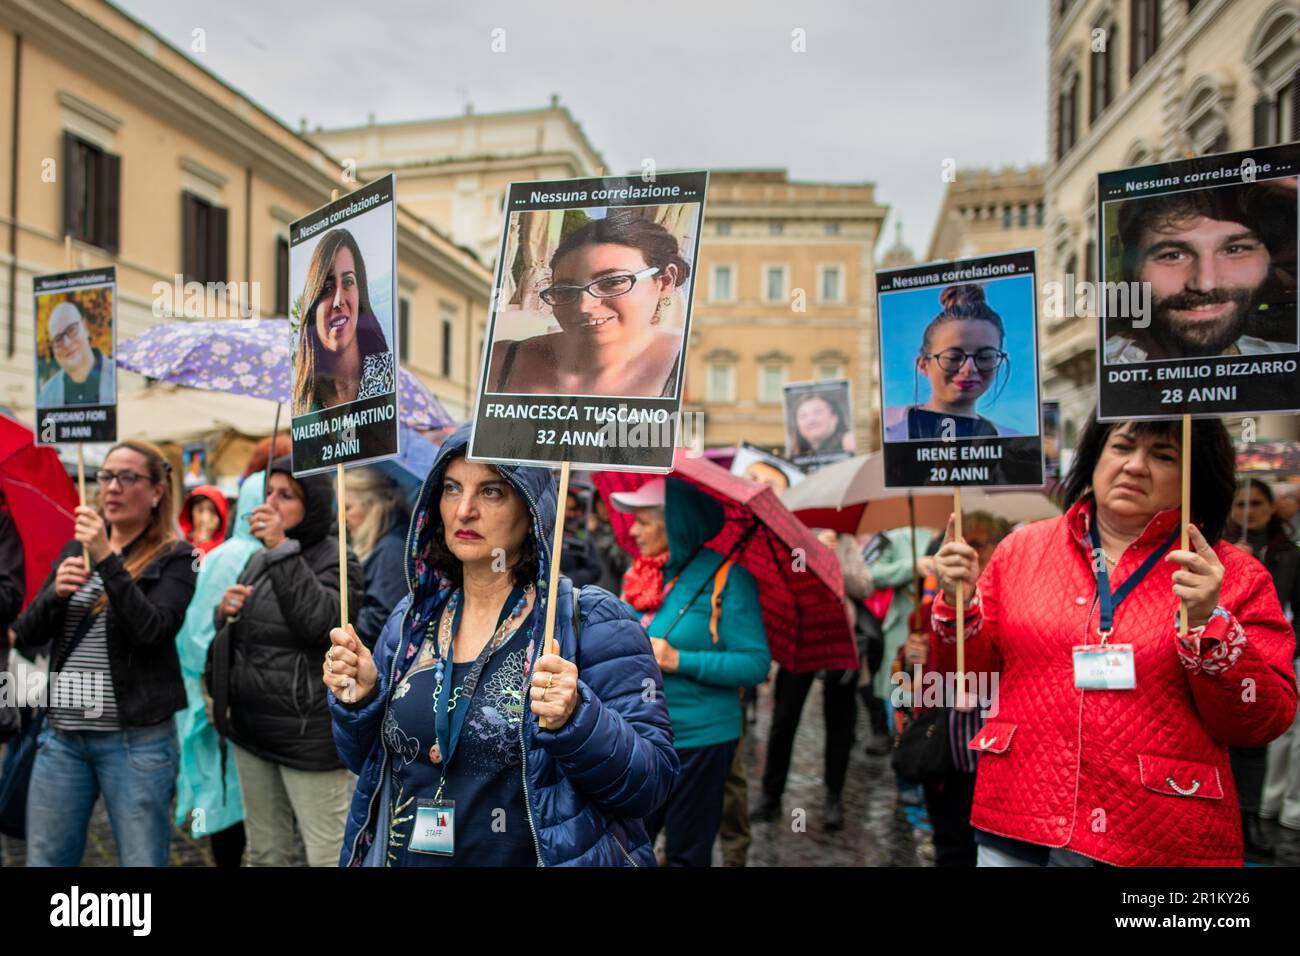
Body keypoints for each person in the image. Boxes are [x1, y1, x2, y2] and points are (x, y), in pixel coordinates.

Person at [931, 415, 1297, 866]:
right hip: (1021, 813)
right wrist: (957, 605)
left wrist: (1210, 625)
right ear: (1095, 457)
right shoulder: (1020, 551)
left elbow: (1259, 722)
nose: (1135, 466)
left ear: (1195, 475)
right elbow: (964, 681)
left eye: (1163, 455)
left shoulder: (1232, 575)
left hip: (1157, 829)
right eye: (1122, 447)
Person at [324, 423, 677, 866]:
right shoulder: (412, 620)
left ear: (531, 509)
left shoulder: (591, 623)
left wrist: (579, 720)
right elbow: (368, 764)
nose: (464, 510)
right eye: (452, 489)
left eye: (491, 492)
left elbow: (652, 784)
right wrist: (362, 701)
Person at [12, 441, 196, 866]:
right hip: (62, 738)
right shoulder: (75, 550)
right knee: (47, 857)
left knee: (142, 859)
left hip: (134, 740)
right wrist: (56, 594)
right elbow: (26, 634)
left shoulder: (179, 559)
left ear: (156, 492)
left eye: (127, 477)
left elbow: (151, 631)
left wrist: (106, 559)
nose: (112, 487)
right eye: (107, 476)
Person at [205, 457, 362, 866]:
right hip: (252, 729)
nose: (271, 502)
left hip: (306, 736)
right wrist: (225, 612)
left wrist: (280, 549)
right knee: (265, 852)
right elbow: (252, 634)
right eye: (269, 491)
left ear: (312, 506)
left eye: (286, 495)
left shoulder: (338, 558)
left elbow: (319, 625)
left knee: (327, 853)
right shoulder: (259, 557)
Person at [612, 477, 770, 866]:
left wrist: (679, 659)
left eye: (644, 522)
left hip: (700, 742)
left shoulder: (727, 578)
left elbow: (755, 663)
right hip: (640, 737)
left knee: (686, 853)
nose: (633, 531)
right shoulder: (643, 575)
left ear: (676, 525)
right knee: (627, 846)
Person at [488, 211, 689, 397]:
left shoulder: (689, 368)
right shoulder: (500, 361)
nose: (584, 306)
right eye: (565, 291)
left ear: (665, 281)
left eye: (612, 283)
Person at [174, 473, 267, 868]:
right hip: (225, 701)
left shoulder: (236, 553)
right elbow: (197, 634)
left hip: (240, 700)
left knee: (235, 793)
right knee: (227, 790)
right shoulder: (235, 557)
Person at [752, 528, 871, 831]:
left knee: (840, 722)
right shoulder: (794, 538)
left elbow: (865, 586)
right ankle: (771, 795)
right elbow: (779, 583)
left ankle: (834, 795)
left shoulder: (846, 543)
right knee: (784, 718)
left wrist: (835, 564)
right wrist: (813, 557)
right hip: (800, 638)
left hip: (838, 639)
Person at [1105, 179, 1298, 363]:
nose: (1206, 284)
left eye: (1234, 250)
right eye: (1173, 255)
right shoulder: (1101, 372)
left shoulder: (1288, 362)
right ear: (1130, 270)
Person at [1225, 479, 1300, 857]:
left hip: (1267, 657)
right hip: (1221, 654)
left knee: (1256, 741)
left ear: (1271, 508)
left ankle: (1250, 814)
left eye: (1256, 504)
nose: (1248, 512)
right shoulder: (1214, 549)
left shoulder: (1287, 553)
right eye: (1240, 504)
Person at [884, 284, 1017, 441]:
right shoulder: (886, 428)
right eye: (953, 357)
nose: (969, 369)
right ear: (923, 365)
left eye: (985, 357)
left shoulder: (1014, 444)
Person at [292, 228, 395, 415]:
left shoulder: (389, 379)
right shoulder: (302, 401)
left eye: (348, 282)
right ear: (313, 306)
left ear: (360, 292)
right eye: (328, 287)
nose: (339, 300)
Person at [344, 467, 409, 648]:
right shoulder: (383, 544)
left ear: (371, 506)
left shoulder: (392, 549)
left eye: (347, 508)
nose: (341, 517)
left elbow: (383, 618)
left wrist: (340, 628)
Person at [37, 301, 115, 408]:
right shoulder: (46, 396)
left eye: (72, 329)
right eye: (58, 339)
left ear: (85, 327)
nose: (67, 343)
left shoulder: (118, 376)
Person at [789, 391, 855, 462]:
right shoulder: (797, 451)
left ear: (834, 417)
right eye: (803, 416)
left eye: (818, 412)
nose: (811, 420)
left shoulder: (848, 440)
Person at [180, 484, 228, 557]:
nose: (204, 518)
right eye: (200, 510)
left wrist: (207, 541)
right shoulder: (180, 540)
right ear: (190, 513)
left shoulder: (224, 549)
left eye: (211, 511)